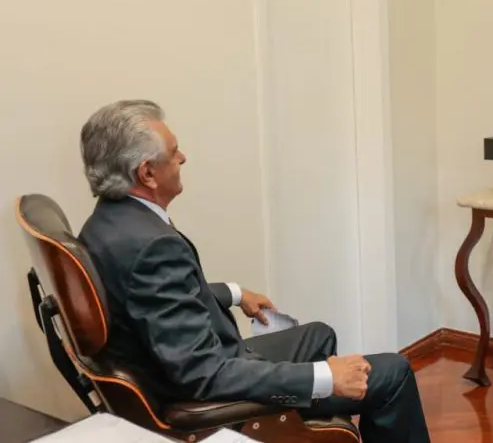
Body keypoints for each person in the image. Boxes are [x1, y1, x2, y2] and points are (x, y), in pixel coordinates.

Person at [77, 100, 430, 443]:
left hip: (182, 363)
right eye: (174, 152)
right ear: (147, 173)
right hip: (207, 398)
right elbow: (204, 374)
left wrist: (233, 292)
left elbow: (152, 297)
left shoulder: (106, 224)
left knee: (319, 334)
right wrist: (325, 377)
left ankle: (304, 428)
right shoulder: (151, 246)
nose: (183, 158)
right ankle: (298, 416)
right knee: (392, 373)